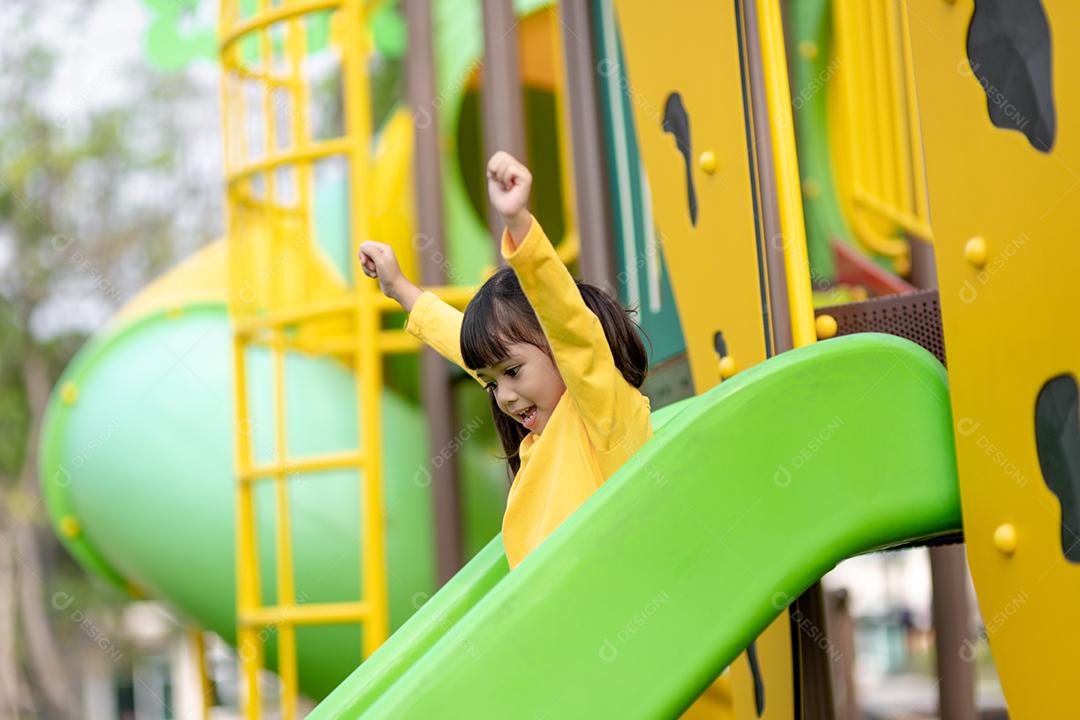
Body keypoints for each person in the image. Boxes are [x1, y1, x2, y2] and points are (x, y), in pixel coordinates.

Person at [358, 151, 651, 569]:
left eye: (512, 373)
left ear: (560, 349)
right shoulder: (539, 440)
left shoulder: (601, 415)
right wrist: (401, 289)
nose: (505, 397)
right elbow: (467, 347)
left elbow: (568, 324)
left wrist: (520, 226)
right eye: (492, 383)